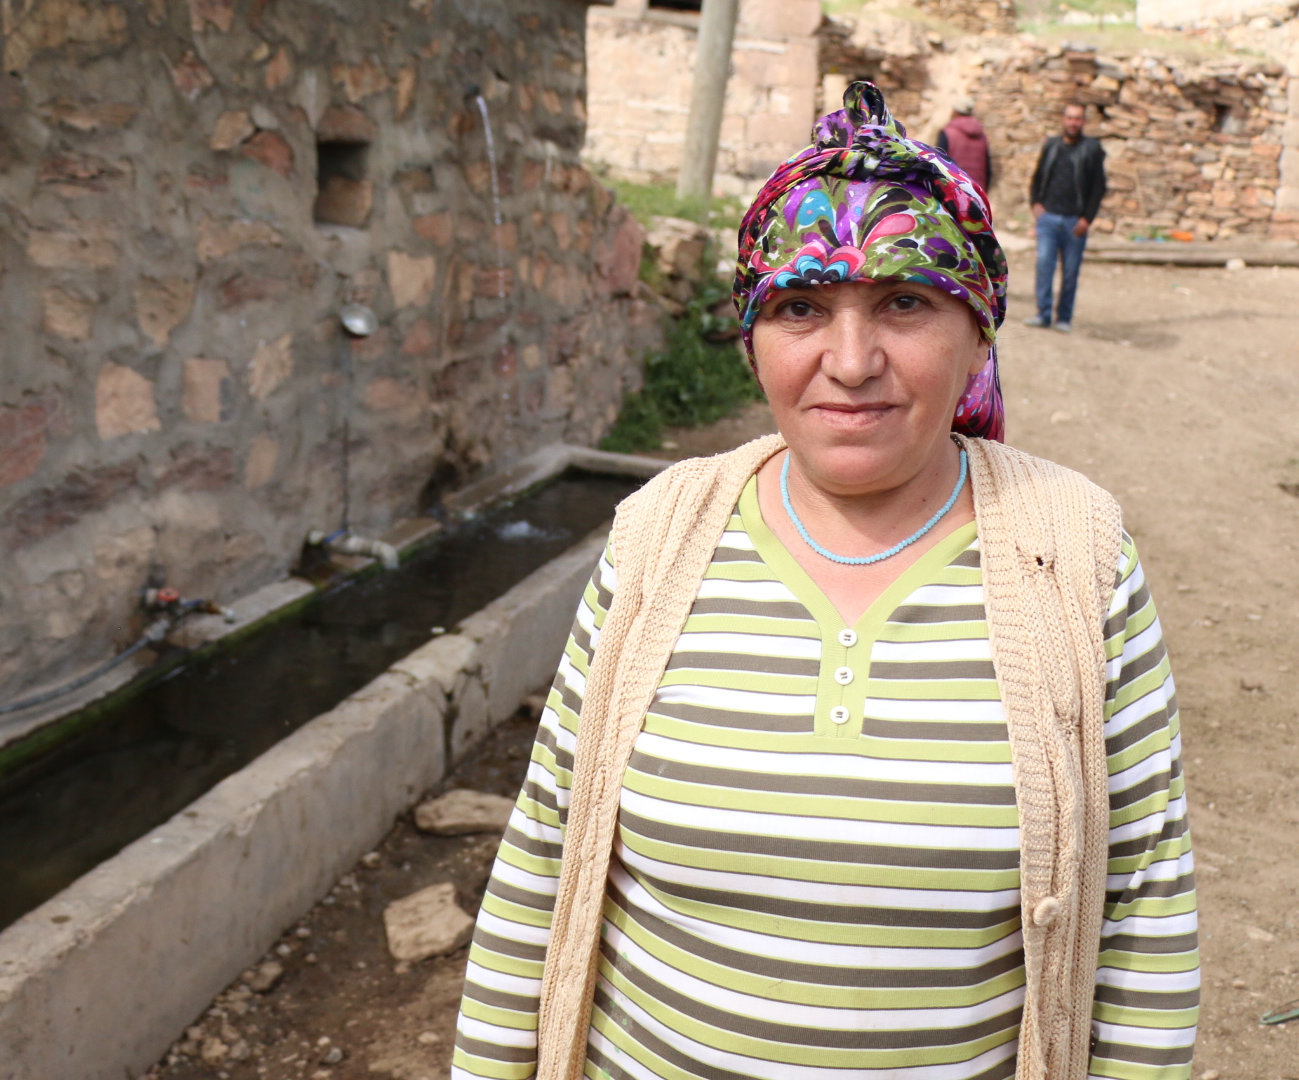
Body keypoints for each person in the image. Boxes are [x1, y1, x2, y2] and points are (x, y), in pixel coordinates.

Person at [451, 83, 1196, 1080]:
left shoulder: (1075, 555)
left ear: (979, 332)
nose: (851, 362)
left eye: (904, 303)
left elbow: (1144, 906)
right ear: (752, 338)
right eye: (801, 306)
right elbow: (546, 853)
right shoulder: (657, 538)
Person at [1025, 103, 1106, 333]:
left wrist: (1087, 219)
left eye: (1077, 118)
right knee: (1044, 265)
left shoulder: (1091, 149)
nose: (1073, 122)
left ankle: (1064, 318)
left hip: (1074, 222)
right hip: (1048, 218)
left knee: (1070, 271)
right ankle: (1043, 314)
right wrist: (1035, 204)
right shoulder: (1052, 146)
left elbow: (1099, 187)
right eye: (1070, 117)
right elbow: (1038, 177)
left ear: (1083, 122)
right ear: (1063, 119)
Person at [935, 98, 992, 193]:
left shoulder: (948, 133)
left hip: (953, 190)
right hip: (977, 191)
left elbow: (938, 163)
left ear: (955, 112)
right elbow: (988, 169)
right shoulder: (982, 136)